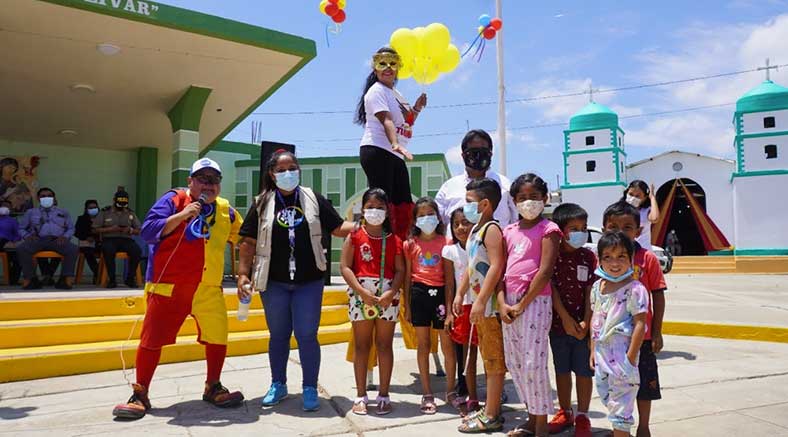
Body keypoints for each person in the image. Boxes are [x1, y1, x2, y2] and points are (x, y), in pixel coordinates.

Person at [112, 158, 244, 420]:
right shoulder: (172, 200)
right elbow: (148, 232)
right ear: (190, 182)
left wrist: (245, 272)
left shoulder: (226, 211)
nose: (209, 184)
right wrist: (183, 215)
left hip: (208, 287)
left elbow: (246, 237)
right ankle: (141, 393)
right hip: (168, 286)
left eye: (214, 180)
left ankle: (213, 386)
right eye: (202, 179)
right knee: (152, 339)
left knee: (218, 336)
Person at [236, 150, 356, 412]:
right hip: (274, 281)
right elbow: (247, 241)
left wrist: (364, 225)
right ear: (272, 174)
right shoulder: (262, 202)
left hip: (309, 280)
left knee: (306, 334)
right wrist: (243, 274)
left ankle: (310, 388)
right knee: (278, 335)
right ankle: (278, 384)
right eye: (282, 169)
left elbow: (336, 227)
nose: (288, 173)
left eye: (293, 168)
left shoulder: (312, 198)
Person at [499, 174, 561, 437]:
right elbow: (500, 269)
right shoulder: (509, 231)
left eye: (534, 197)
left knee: (533, 361)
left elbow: (545, 271)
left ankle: (541, 426)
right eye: (522, 198)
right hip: (509, 302)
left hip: (534, 300)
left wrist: (522, 304)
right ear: (514, 202)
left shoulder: (549, 230)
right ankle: (531, 416)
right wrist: (502, 304)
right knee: (515, 363)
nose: (528, 203)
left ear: (545, 199)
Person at [603, 201, 667, 437]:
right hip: (612, 342)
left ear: (638, 231)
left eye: (627, 227)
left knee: (644, 386)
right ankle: (619, 428)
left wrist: (657, 331)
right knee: (616, 388)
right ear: (603, 228)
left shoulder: (647, 259)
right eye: (613, 226)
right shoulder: (602, 260)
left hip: (642, 338)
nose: (619, 232)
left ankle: (643, 427)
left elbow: (658, 296)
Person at [341, 188, 404, 416]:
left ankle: (384, 395)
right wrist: (360, 291)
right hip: (361, 295)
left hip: (388, 295)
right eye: (370, 207)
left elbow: (399, 270)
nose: (374, 211)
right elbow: (345, 266)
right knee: (361, 345)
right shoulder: (355, 236)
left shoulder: (394, 239)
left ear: (387, 211)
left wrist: (392, 291)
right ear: (362, 209)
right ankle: (360, 395)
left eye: (379, 207)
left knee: (385, 345)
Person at [355, 47, 427, 241]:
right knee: (381, 202)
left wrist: (417, 108)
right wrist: (395, 143)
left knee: (403, 202)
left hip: (395, 153)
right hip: (378, 149)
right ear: (375, 67)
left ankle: (400, 244)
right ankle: (376, 244)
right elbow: (386, 120)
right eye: (382, 63)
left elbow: (406, 121)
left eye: (392, 64)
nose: (388, 68)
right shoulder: (375, 91)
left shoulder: (395, 94)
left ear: (398, 68)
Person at [455, 178, 506, 433]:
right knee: (488, 358)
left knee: (494, 361)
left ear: (485, 204)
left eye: (469, 202)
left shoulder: (492, 230)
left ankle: (492, 414)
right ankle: (490, 409)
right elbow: (471, 267)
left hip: (490, 308)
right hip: (479, 306)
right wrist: (460, 294)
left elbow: (495, 266)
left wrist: (482, 300)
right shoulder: (475, 231)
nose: (466, 208)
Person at [589, 231, 649, 437]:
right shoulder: (598, 287)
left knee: (622, 407)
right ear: (600, 259)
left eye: (621, 257)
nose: (614, 263)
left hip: (622, 356)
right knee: (609, 399)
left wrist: (631, 358)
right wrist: (592, 350)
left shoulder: (635, 289)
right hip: (601, 355)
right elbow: (595, 319)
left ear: (631, 259)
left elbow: (640, 323)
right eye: (608, 257)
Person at [403, 197, 459, 415]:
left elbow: (449, 277)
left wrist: (449, 308)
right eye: (422, 215)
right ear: (415, 220)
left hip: (440, 296)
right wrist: (407, 305)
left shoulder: (446, 242)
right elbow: (408, 277)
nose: (427, 219)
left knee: (447, 345)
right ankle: (427, 393)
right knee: (423, 345)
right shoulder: (410, 244)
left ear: (438, 217)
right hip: (419, 295)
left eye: (431, 214)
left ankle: (451, 391)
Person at [547, 203, 597, 437]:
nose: (580, 232)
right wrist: (566, 320)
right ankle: (565, 412)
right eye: (574, 227)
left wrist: (587, 321)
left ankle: (583, 416)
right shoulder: (552, 256)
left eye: (584, 227)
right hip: (558, 326)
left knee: (584, 372)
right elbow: (552, 288)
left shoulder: (588, 257)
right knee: (562, 370)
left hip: (583, 328)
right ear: (560, 230)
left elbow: (591, 290)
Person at [435, 129, 518, 228]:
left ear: (490, 154)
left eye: (483, 151)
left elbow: (517, 222)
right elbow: (438, 224)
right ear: (463, 155)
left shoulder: (505, 185)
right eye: (473, 151)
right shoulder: (448, 187)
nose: (478, 155)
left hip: (497, 242)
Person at [445, 207, 477, 412]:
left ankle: (484, 390)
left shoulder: (481, 245)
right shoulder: (450, 251)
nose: (461, 227)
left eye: (465, 222)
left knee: (479, 350)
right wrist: (449, 312)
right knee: (463, 350)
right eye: (456, 224)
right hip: (461, 306)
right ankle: (464, 385)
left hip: (482, 304)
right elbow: (449, 284)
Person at [17, 187, 78, 290]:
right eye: (43, 196)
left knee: (73, 249)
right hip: (38, 240)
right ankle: (30, 279)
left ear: (54, 198)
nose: (46, 198)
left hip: (57, 240)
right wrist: (27, 236)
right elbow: (21, 228)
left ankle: (65, 279)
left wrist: (65, 236)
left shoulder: (63, 211)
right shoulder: (31, 212)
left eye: (49, 196)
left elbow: (71, 228)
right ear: (38, 198)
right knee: (22, 248)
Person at [93, 189, 142, 288]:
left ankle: (130, 279)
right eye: (119, 204)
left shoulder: (130, 213)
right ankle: (112, 279)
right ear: (114, 200)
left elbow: (140, 230)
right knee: (108, 250)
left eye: (124, 204)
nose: (122, 206)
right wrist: (110, 229)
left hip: (126, 239)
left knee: (136, 251)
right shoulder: (105, 212)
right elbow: (95, 229)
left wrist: (130, 230)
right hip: (109, 238)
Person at [622, 180, 660, 250]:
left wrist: (652, 198)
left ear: (645, 198)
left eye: (638, 196)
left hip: (643, 252)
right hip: (625, 252)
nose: (633, 198)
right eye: (631, 194)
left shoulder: (646, 211)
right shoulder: (620, 210)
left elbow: (655, 219)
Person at [74, 199, 101, 283]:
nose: (93, 209)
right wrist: (86, 237)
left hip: (99, 243)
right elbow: (77, 233)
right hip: (86, 243)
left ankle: (100, 274)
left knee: (107, 252)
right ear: (86, 209)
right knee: (88, 253)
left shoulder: (102, 219)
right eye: (90, 208)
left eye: (95, 207)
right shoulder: (81, 219)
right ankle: (98, 274)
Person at [0, 199, 21, 284]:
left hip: (6, 244)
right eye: (3, 205)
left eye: (7, 206)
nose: (5, 207)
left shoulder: (13, 221)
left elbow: (18, 234)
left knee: (18, 258)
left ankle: (13, 280)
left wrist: (13, 241)